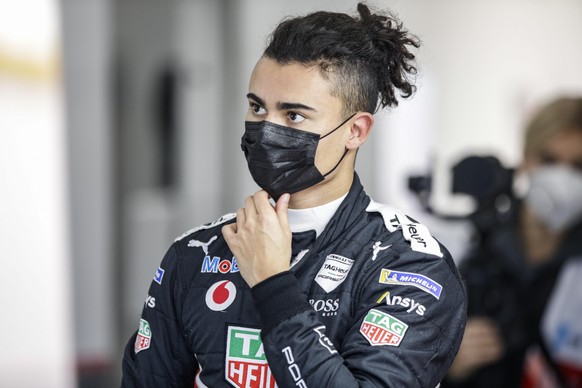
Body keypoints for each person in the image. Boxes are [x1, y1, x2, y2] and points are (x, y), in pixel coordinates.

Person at [121, 3, 467, 387]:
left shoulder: (410, 265)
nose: (266, 129)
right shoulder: (194, 253)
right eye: (257, 107)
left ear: (356, 131)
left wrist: (273, 285)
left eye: (294, 115)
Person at [442, 97, 582, 388]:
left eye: (578, 166)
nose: (563, 178)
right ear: (526, 158)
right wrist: (446, 364)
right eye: (549, 160)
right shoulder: (474, 243)